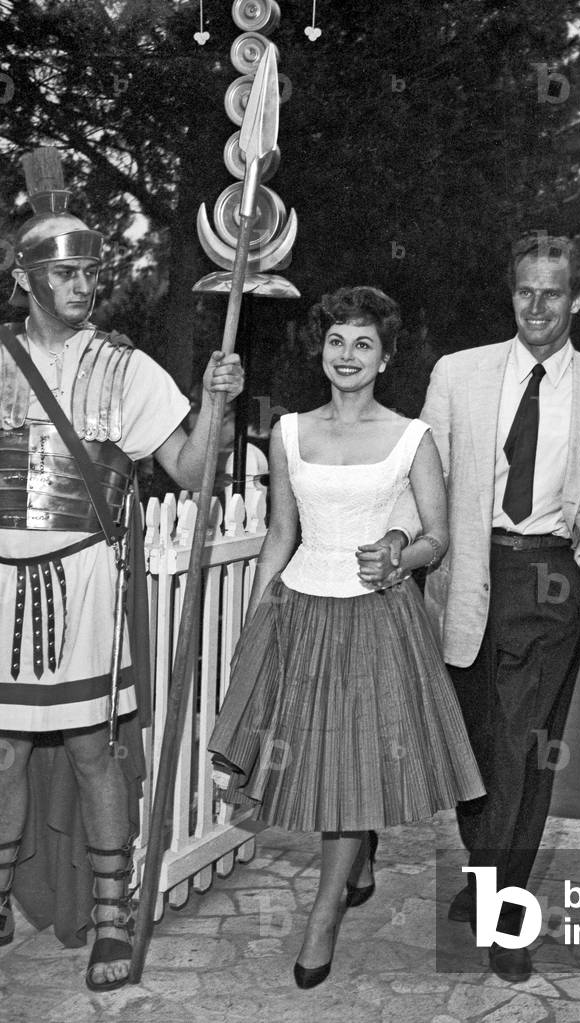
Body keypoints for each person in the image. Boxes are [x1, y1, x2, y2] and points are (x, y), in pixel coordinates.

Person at [0, 147, 244, 991]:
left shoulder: (126, 369)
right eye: (67, 270)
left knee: (93, 748)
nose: (85, 283)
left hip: (85, 583)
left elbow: (194, 472)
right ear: (26, 277)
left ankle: (113, 915)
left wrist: (218, 401)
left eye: (93, 268)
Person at [207, 285, 484, 990]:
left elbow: (438, 536)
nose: (347, 355)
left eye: (364, 343)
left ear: (386, 357)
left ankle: (323, 917)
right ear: (321, 350)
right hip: (302, 608)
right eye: (336, 341)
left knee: (353, 769)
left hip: (375, 617)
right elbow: (279, 534)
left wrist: (399, 550)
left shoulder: (410, 437)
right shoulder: (291, 431)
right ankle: (357, 858)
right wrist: (256, 617)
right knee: (312, 763)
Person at [381, 233, 580, 982]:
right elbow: (423, 480)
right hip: (466, 575)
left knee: (525, 753)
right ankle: (482, 868)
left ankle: (505, 909)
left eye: (553, 292)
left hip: (550, 584)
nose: (537, 306)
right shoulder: (459, 375)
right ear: (512, 293)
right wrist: (402, 540)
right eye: (525, 290)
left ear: (578, 300)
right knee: (472, 750)